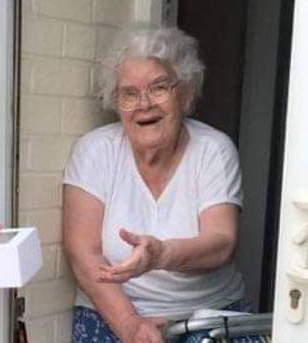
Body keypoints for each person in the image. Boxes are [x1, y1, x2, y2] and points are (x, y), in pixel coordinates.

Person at [62, 27, 258, 343]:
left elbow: (220, 242)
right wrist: (130, 325)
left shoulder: (214, 150)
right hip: (112, 313)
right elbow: (84, 255)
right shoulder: (95, 151)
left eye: (159, 87)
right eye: (129, 93)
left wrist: (161, 255)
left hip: (206, 314)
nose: (144, 104)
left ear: (186, 91)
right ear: (115, 101)